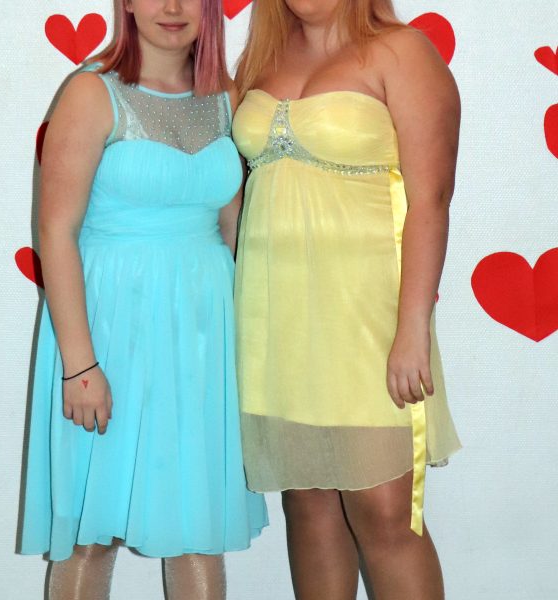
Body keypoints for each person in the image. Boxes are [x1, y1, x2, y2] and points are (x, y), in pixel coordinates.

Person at [19, 1, 267, 598]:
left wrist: (256, 349)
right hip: (108, 331)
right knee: (90, 533)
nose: (173, 8)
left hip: (202, 339)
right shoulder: (91, 93)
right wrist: (79, 366)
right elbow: (56, 231)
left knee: (196, 528)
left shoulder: (226, 97)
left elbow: (233, 229)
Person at [232, 0, 461, 598]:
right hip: (275, 318)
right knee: (307, 504)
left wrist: (412, 327)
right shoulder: (259, 60)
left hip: (369, 319)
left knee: (385, 513)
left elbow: (432, 201)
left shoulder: (402, 51)